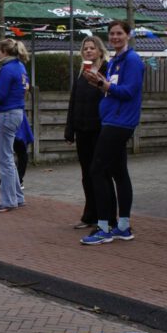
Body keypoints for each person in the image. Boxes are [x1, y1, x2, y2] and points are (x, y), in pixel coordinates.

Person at [81, 20, 144, 245]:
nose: (115, 37)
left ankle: (104, 226)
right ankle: (123, 227)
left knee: (97, 170)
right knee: (119, 172)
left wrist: (105, 86)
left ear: (128, 35)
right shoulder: (115, 61)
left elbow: (129, 92)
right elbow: (110, 89)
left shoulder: (133, 60)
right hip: (111, 119)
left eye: (119, 33)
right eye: (112, 34)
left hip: (120, 122)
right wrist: (98, 83)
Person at [65, 36, 115, 230]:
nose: (88, 51)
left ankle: (108, 217)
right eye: (85, 48)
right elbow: (74, 102)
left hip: (100, 130)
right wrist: (70, 130)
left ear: (100, 51)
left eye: (92, 48)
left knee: (101, 174)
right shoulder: (82, 74)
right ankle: (90, 215)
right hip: (82, 130)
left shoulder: (107, 71)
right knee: (86, 174)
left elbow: (112, 95)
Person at [0, 38, 28, 213]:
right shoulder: (20, 66)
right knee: (9, 158)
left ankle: (8, 200)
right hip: (17, 112)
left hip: (6, 113)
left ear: (4, 51)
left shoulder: (6, 69)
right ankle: (18, 196)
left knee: (4, 159)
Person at [0, 112, 33, 191]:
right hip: (1, 117)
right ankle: (6, 179)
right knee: (1, 151)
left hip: (14, 115)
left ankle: (18, 180)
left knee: (20, 149)